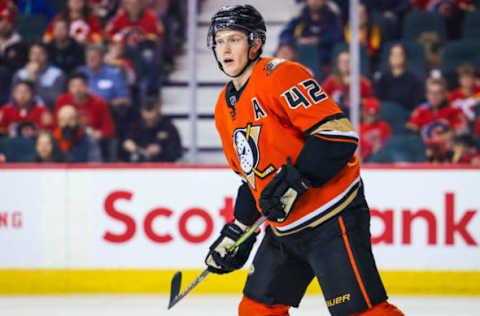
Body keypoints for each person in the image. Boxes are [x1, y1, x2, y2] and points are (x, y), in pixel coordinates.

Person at [204, 5, 404, 316]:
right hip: (285, 231)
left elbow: (339, 136)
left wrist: (296, 181)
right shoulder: (222, 108)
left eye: (234, 39)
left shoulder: (280, 74)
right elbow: (253, 179)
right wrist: (238, 230)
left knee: (363, 313)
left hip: (332, 217)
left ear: (255, 44)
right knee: (256, 311)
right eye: (219, 41)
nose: (225, 48)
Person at [54, 72, 115, 160]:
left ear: (87, 86)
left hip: (89, 140)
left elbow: (109, 129)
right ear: (69, 88)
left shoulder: (98, 102)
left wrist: (99, 133)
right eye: (73, 86)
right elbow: (55, 126)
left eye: (80, 86)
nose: (77, 89)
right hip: (66, 138)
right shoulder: (62, 101)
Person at [279, 0, 343, 72]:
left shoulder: (332, 16)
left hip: (325, 56)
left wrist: (318, 40)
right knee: (284, 50)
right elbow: (284, 35)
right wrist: (298, 40)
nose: (314, 2)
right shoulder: (301, 15)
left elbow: (339, 36)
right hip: (301, 53)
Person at [122, 96, 182, 162]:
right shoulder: (135, 126)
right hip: (138, 166)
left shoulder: (168, 127)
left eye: (152, 119)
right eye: (147, 119)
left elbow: (177, 151)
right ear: (142, 112)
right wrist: (128, 146)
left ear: (158, 111)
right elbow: (126, 143)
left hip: (162, 166)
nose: (149, 120)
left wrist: (161, 149)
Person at [12, 41, 67, 109]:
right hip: (24, 114)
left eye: (40, 53)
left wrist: (35, 79)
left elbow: (55, 101)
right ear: (29, 56)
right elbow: (12, 101)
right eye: (33, 53)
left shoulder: (57, 75)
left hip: (49, 112)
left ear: (47, 55)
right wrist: (29, 78)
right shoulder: (20, 75)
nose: (36, 57)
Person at [373, 43, 424, 111]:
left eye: (399, 54)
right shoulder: (382, 79)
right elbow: (377, 102)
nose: (396, 57)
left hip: (405, 116)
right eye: (393, 54)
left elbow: (417, 105)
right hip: (385, 115)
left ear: (404, 57)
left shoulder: (414, 80)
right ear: (389, 58)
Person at [322, 50, 374, 115]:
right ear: (338, 64)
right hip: (337, 116)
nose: (345, 64)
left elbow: (370, 101)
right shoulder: (330, 81)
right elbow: (323, 100)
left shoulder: (362, 82)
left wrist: (360, 101)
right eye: (342, 62)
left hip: (357, 115)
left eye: (348, 61)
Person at [0, 0, 29, 105]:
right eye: (1, 20)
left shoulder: (20, 45)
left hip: (10, 86)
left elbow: (18, 66)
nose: (4, 24)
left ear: (13, 24)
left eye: (8, 21)